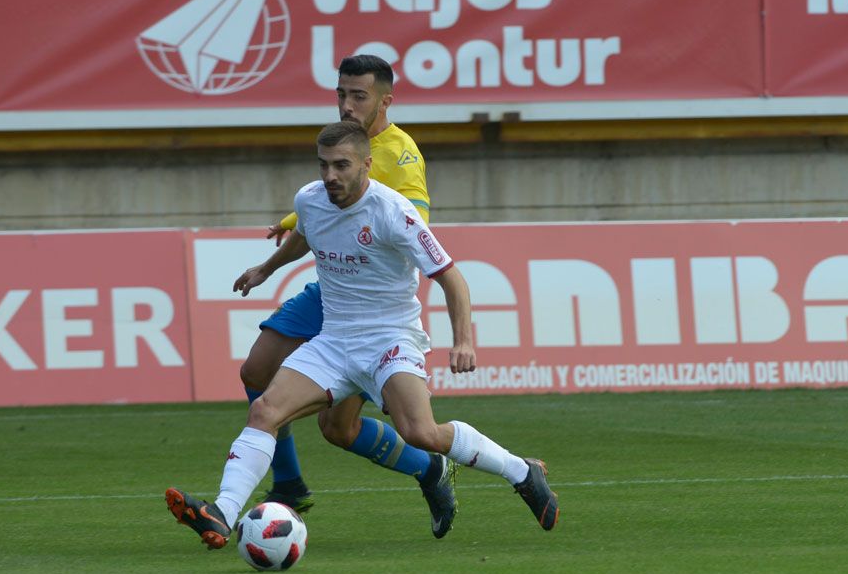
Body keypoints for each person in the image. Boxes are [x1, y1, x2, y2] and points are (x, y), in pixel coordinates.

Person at [165, 121, 558, 551]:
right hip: (333, 342)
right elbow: (305, 234)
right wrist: (267, 268)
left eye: (341, 165)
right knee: (265, 411)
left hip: (389, 341)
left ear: (367, 165)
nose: (330, 175)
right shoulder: (310, 200)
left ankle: (522, 472)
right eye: (324, 165)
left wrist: (463, 340)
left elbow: (452, 278)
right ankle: (223, 513)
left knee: (421, 433)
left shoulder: (393, 212)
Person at [237, 55, 456, 538]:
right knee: (255, 369)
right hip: (330, 290)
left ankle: (430, 468)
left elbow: (413, 227)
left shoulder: (400, 156)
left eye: (358, 96)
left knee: (339, 430)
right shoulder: (341, 149)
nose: (347, 104)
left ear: (384, 100)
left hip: (373, 303)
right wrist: (268, 264)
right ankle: (289, 483)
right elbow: (322, 216)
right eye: (341, 94)